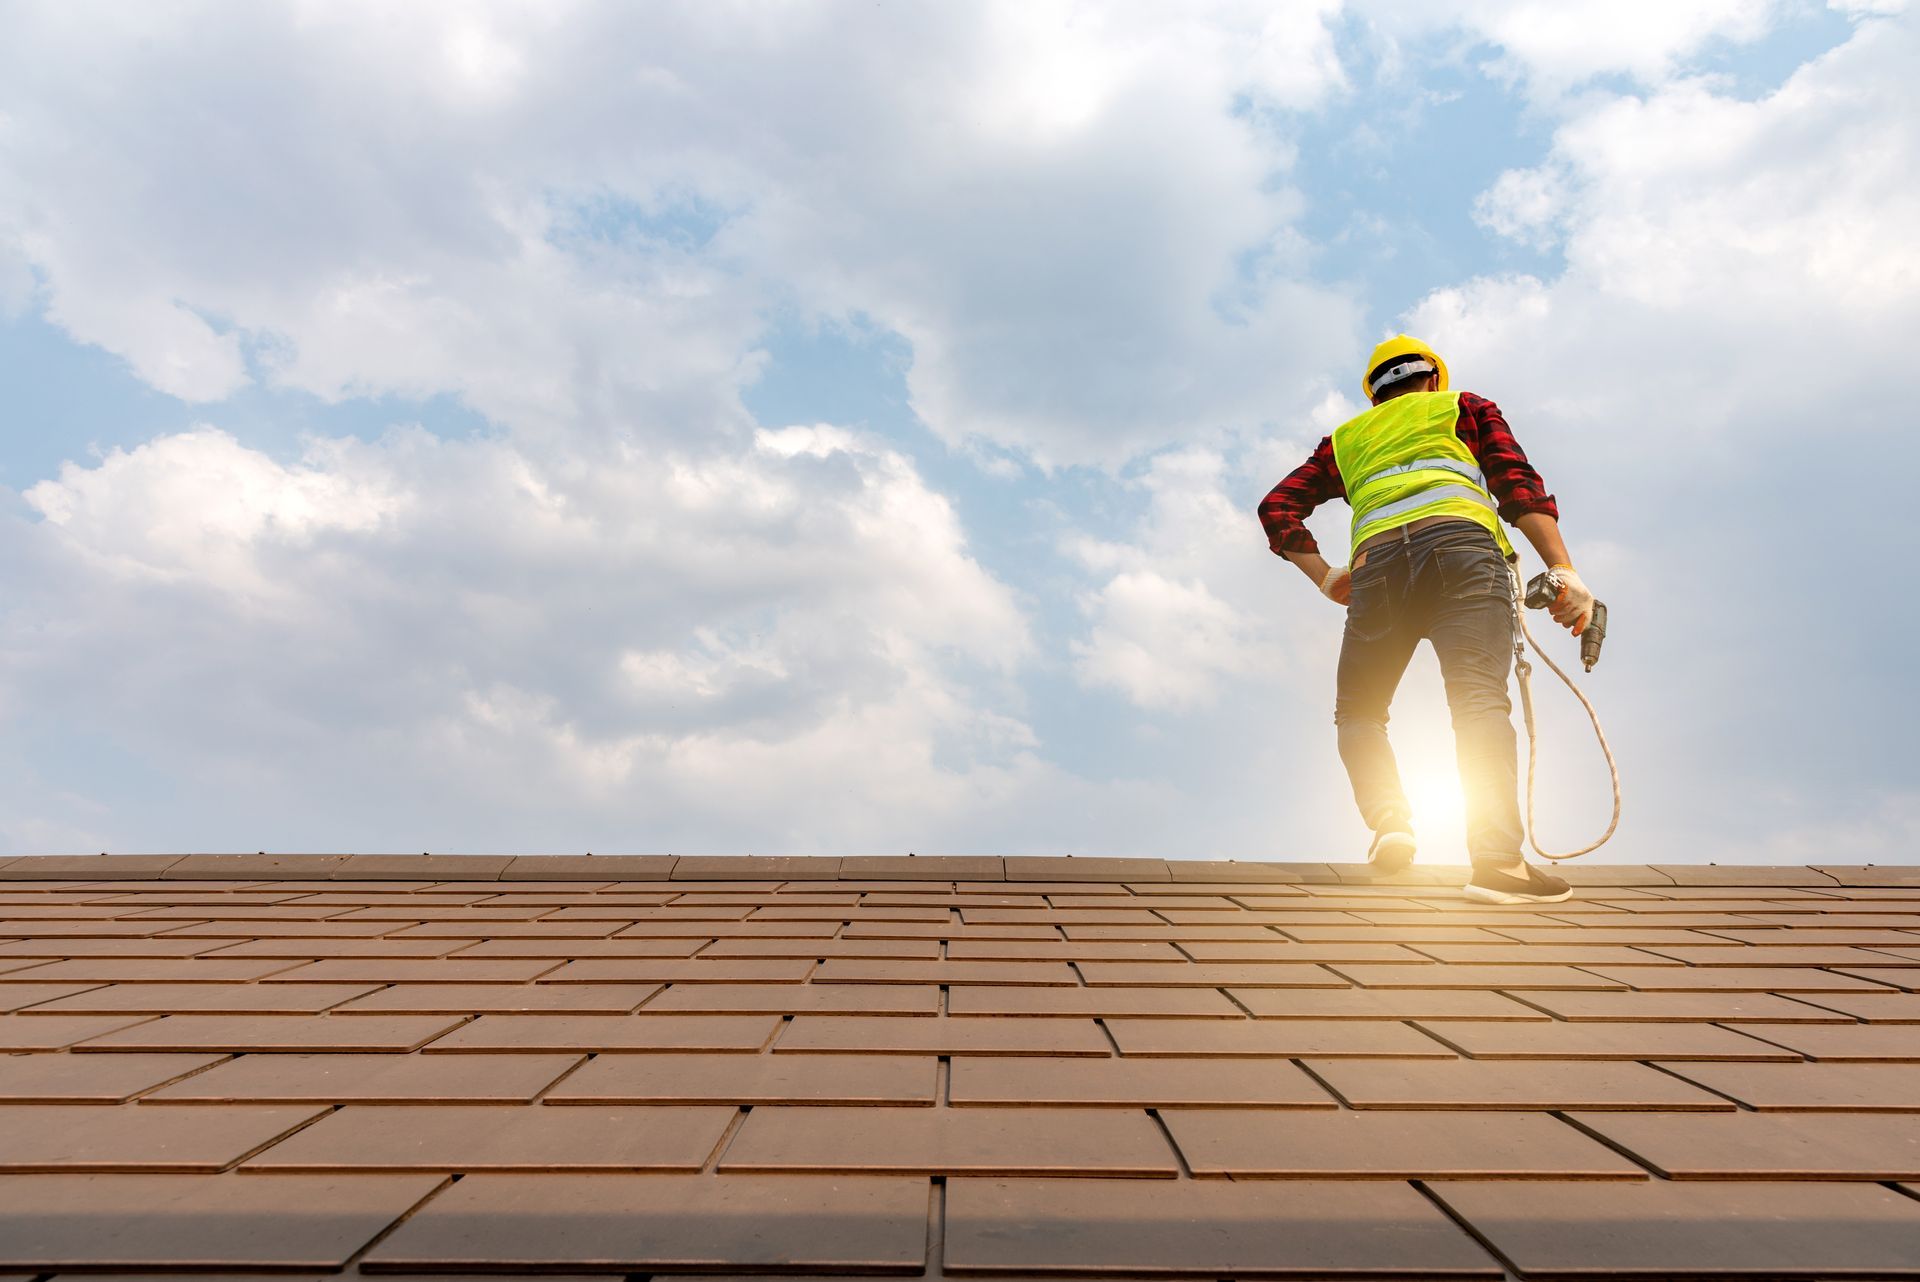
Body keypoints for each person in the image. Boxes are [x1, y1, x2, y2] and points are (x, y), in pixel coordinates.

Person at [1257, 336, 1596, 904]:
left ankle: (1391, 821)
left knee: (1360, 711)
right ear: (1432, 379)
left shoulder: (1345, 441)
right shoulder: (1461, 406)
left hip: (1377, 568)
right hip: (1463, 551)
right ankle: (1498, 865)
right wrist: (1564, 569)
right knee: (1478, 702)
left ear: (1375, 395)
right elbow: (1516, 484)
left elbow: (1277, 506)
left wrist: (1322, 575)